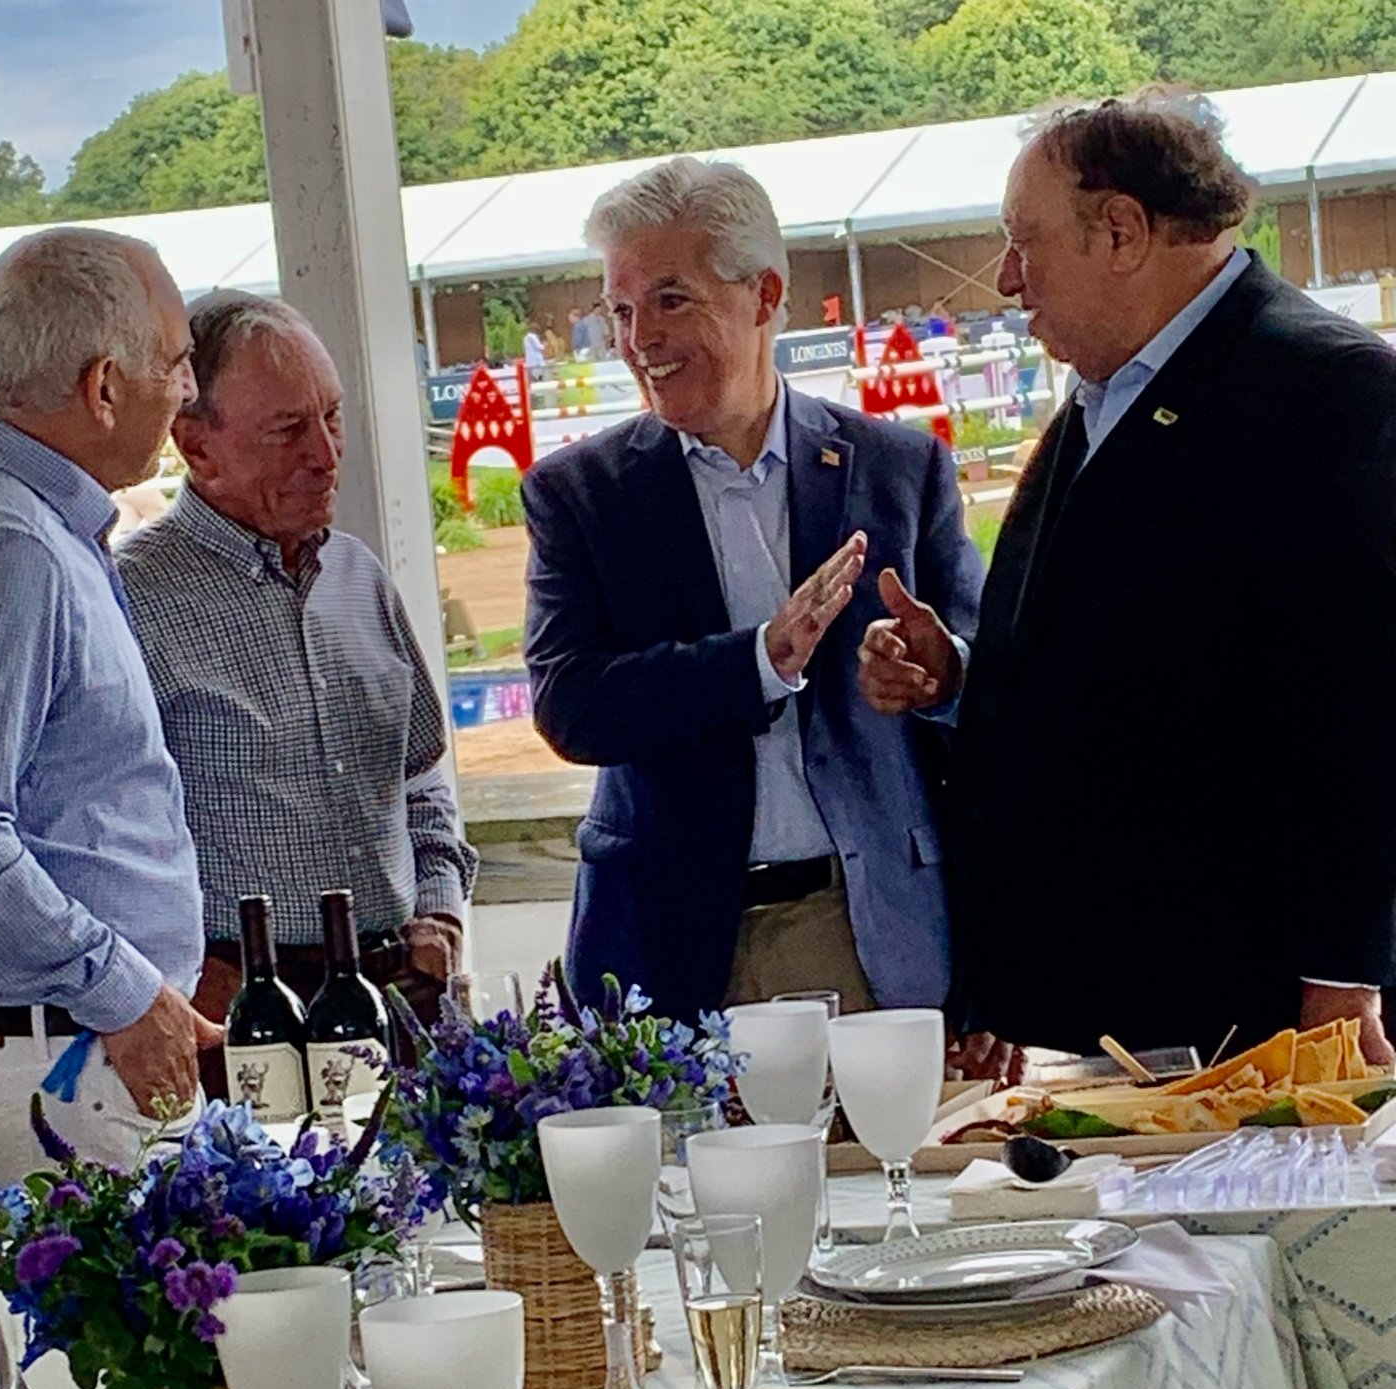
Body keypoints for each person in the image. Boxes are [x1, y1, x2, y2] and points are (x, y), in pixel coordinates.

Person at [868, 91, 1396, 1063]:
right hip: (1120, 1011)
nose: (1008, 278)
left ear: (1121, 230)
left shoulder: (1330, 391)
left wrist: (1343, 978)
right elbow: (1123, 657)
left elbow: (1363, 716)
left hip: (1253, 1014)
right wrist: (963, 676)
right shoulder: (1108, 396)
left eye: (1025, 241)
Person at [523, 156, 983, 1027]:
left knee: (890, 1167)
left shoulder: (899, 469)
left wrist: (944, 674)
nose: (639, 339)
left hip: (872, 943)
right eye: (620, 310)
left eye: (671, 299)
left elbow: (989, 685)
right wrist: (758, 663)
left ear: (766, 295)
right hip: (666, 960)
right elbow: (572, 706)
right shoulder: (580, 495)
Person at [0, 226, 213, 1215]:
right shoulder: (3, 545)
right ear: (104, 386)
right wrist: (119, 992)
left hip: (36, 1045)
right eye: (176, 361)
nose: (187, 390)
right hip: (58, 1060)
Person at [118, 291, 477, 1089]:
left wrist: (441, 905)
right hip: (241, 1023)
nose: (325, 452)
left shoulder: (358, 576)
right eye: (288, 429)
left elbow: (420, 774)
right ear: (195, 445)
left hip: (403, 1002)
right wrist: (173, 974)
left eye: (333, 417)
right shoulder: (128, 599)